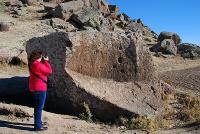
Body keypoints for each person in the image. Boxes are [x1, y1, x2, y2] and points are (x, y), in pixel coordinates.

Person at [28, 50, 52, 131]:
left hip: (34, 88)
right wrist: (46, 61)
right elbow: (49, 71)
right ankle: (38, 126)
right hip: (40, 88)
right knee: (39, 107)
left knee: (37, 106)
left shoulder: (32, 64)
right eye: (41, 56)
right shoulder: (37, 65)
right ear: (39, 56)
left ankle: (38, 122)